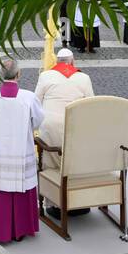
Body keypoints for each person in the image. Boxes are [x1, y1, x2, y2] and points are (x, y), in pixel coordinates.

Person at [0, 58, 44, 244]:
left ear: (1, 73)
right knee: (21, 186)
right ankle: (21, 229)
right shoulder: (29, 97)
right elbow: (38, 121)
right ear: (19, 74)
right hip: (21, 153)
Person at [35, 47, 94, 177]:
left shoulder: (45, 76)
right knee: (71, 162)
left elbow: (36, 101)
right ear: (72, 62)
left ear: (57, 61)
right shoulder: (84, 78)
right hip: (74, 126)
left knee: (50, 163)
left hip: (50, 125)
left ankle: (49, 184)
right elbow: (91, 104)